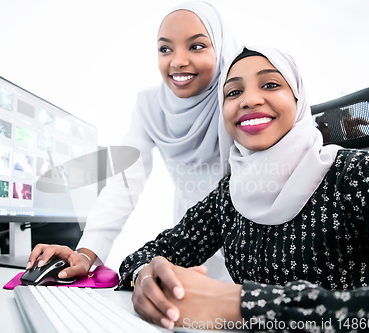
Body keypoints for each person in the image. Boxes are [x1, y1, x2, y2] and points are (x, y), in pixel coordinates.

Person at [118, 46, 369, 331]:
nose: (249, 100)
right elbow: (149, 254)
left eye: (271, 84)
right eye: (233, 93)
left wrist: (240, 304)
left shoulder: (360, 174)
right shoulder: (228, 196)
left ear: (298, 100)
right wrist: (145, 277)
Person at [27, 1, 241, 283]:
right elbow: (125, 181)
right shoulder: (151, 106)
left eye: (196, 46)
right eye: (165, 49)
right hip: (188, 242)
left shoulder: (239, 98)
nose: (177, 61)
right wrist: (87, 253)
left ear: (221, 48)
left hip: (247, 242)